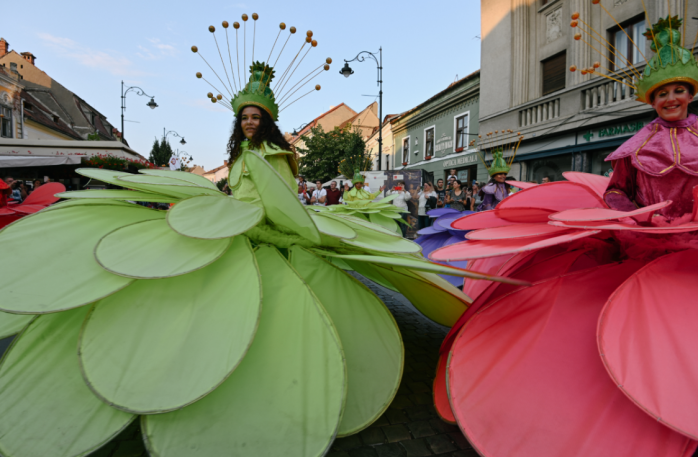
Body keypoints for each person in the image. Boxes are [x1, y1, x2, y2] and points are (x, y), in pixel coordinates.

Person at [604, 81, 698, 219]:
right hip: (652, 235)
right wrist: (641, 219)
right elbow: (616, 192)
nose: (671, 99)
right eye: (662, 94)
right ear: (653, 103)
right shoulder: (635, 146)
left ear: (690, 96)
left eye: (679, 91)